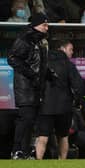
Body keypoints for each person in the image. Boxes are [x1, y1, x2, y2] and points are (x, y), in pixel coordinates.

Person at [7, 12, 53, 159]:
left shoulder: (41, 42)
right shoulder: (25, 39)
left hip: (37, 87)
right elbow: (12, 59)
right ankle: (16, 150)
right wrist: (31, 74)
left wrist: (48, 74)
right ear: (36, 25)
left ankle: (25, 152)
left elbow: (41, 64)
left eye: (47, 24)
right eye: (44, 24)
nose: (47, 27)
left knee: (31, 120)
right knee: (26, 118)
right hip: (25, 87)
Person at [35, 43, 84, 159]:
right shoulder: (69, 65)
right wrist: (77, 101)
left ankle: (37, 162)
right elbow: (78, 86)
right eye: (70, 49)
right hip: (64, 106)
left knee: (42, 137)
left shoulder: (43, 64)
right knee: (63, 136)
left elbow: (36, 83)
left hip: (45, 106)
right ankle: (61, 162)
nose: (72, 52)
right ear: (62, 49)